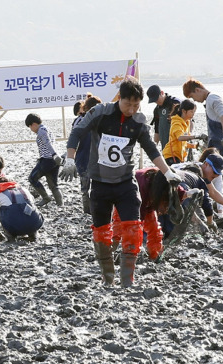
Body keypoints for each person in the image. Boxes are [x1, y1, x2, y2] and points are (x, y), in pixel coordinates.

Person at [60, 77, 183, 288]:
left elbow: (151, 149)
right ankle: (108, 277)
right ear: (120, 98)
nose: (132, 109)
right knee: (101, 231)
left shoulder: (138, 121)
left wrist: (167, 171)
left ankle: (128, 279)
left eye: (136, 105)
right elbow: (77, 132)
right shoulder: (101, 113)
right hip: (99, 182)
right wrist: (69, 158)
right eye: (128, 104)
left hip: (126, 182)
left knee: (134, 228)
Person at [183, 78, 223, 204]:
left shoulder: (212, 98)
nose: (195, 101)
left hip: (222, 142)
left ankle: (206, 202)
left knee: (205, 170)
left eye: (193, 97)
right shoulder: (213, 98)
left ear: (197, 90)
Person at [0, 177, 44, 242]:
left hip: (13, 226)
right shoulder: (24, 190)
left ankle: (11, 237)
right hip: (35, 223)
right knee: (30, 207)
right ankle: (33, 235)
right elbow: (33, 205)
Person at [25, 113, 63, 207]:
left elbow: (48, 143)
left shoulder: (41, 131)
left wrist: (54, 155)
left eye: (30, 127)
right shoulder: (47, 129)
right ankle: (60, 205)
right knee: (53, 184)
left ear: (34, 124)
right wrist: (55, 156)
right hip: (53, 161)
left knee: (32, 178)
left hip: (47, 160)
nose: (31, 129)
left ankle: (46, 198)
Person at [74, 95, 102, 214]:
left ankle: (90, 210)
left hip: (87, 160)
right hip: (87, 159)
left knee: (87, 188)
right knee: (91, 188)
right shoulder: (82, 121)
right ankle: (89, 210)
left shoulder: (81, 120)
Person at [162, 99, 205, 166]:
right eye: (191, 112)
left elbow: (183, 143)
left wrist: (195, 146)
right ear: (184, 111)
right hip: (171, 155)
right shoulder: (176, 122)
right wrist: (196, 136)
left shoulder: (186, 122)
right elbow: (180, 138)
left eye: (194, 112)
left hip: (179, 156)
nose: (193, 114)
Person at [147, 84, 182, 149]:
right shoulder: (157, 110)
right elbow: (157, 129)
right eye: (154, 101)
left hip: (178, 143)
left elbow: (189, 120)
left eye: (157, 99)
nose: (156, 102)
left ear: (162, 93)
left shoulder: (175, 103)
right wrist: (155, 146)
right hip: (165, 146)